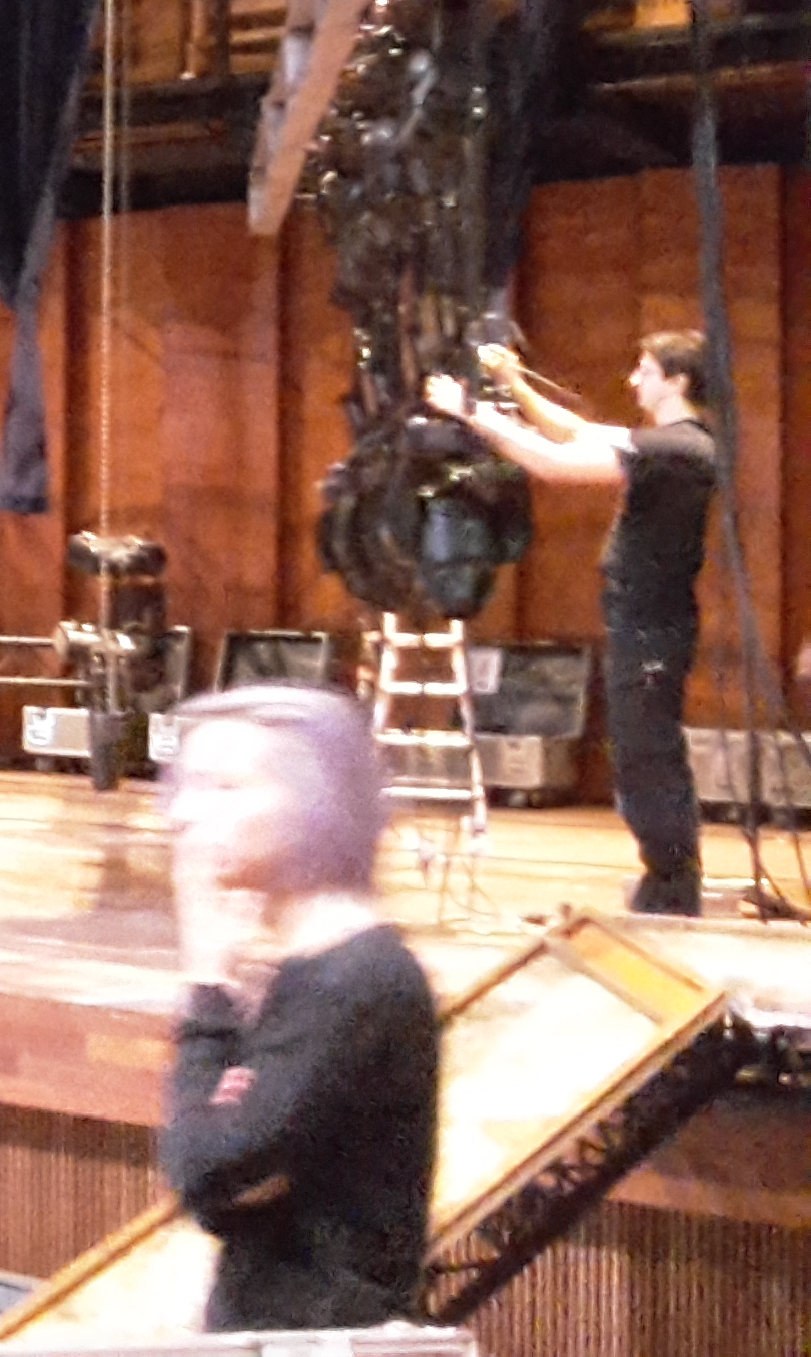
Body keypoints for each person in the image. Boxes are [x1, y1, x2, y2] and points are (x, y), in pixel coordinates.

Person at [159, 683, 438, 1334]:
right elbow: (222, 1194)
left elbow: (202, 1170)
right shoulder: (306, 968)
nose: (183, 815)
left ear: (316, 804)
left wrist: (208, 985)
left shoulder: (354, 982)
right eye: (187, 786)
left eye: (224, 788)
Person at [426, 332, 716, 915]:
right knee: (640, 750)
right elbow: (574, 432)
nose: (632, 381)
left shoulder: (679, 449)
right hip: (642, 620)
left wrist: (471, 411)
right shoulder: (668, 444)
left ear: (677, 381)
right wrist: (513, 383)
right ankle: (667, 882)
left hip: (652, 625)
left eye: (645, 371)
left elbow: (552, 463)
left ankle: (672, 887)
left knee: (647, 753)